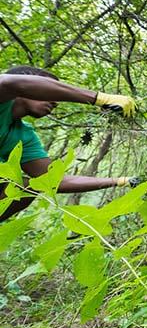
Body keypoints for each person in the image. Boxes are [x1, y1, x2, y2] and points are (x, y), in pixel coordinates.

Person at [0, 66, 138, 221]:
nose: (55, 102)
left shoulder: (23, 136)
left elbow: (54, 180)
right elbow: (7, 83)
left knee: (26, 187)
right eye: (49, 92)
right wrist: (100, 98)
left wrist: (121, 181)